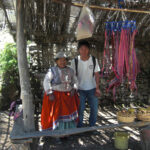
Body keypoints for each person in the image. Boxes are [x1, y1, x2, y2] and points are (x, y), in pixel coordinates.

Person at [41, 51, 79, 131]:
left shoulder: (71, 71)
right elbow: (46, 81)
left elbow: (75, 81)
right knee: (57, 114)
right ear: (56, 61)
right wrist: (49, 93)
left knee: (67, 114)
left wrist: (74, 88)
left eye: (64, 60)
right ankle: (56, 133)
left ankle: (68, 132)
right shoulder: (52, 70)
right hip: (56, 97)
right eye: (60, 60)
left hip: (68, 97)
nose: (63, 62)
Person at [70, 40, 101, 127]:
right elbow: (72, 75)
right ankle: (80, 127)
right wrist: (74, 88)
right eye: (81, 49)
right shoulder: (75, 61)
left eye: (86, 49)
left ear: (89, 50)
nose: (84, 51)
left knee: (94, 108)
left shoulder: (94, 60)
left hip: (92, 88)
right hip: (80, 89)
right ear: (78, 50)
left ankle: (92, 126)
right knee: (80, 109)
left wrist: (97, 88)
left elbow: (97, 74)